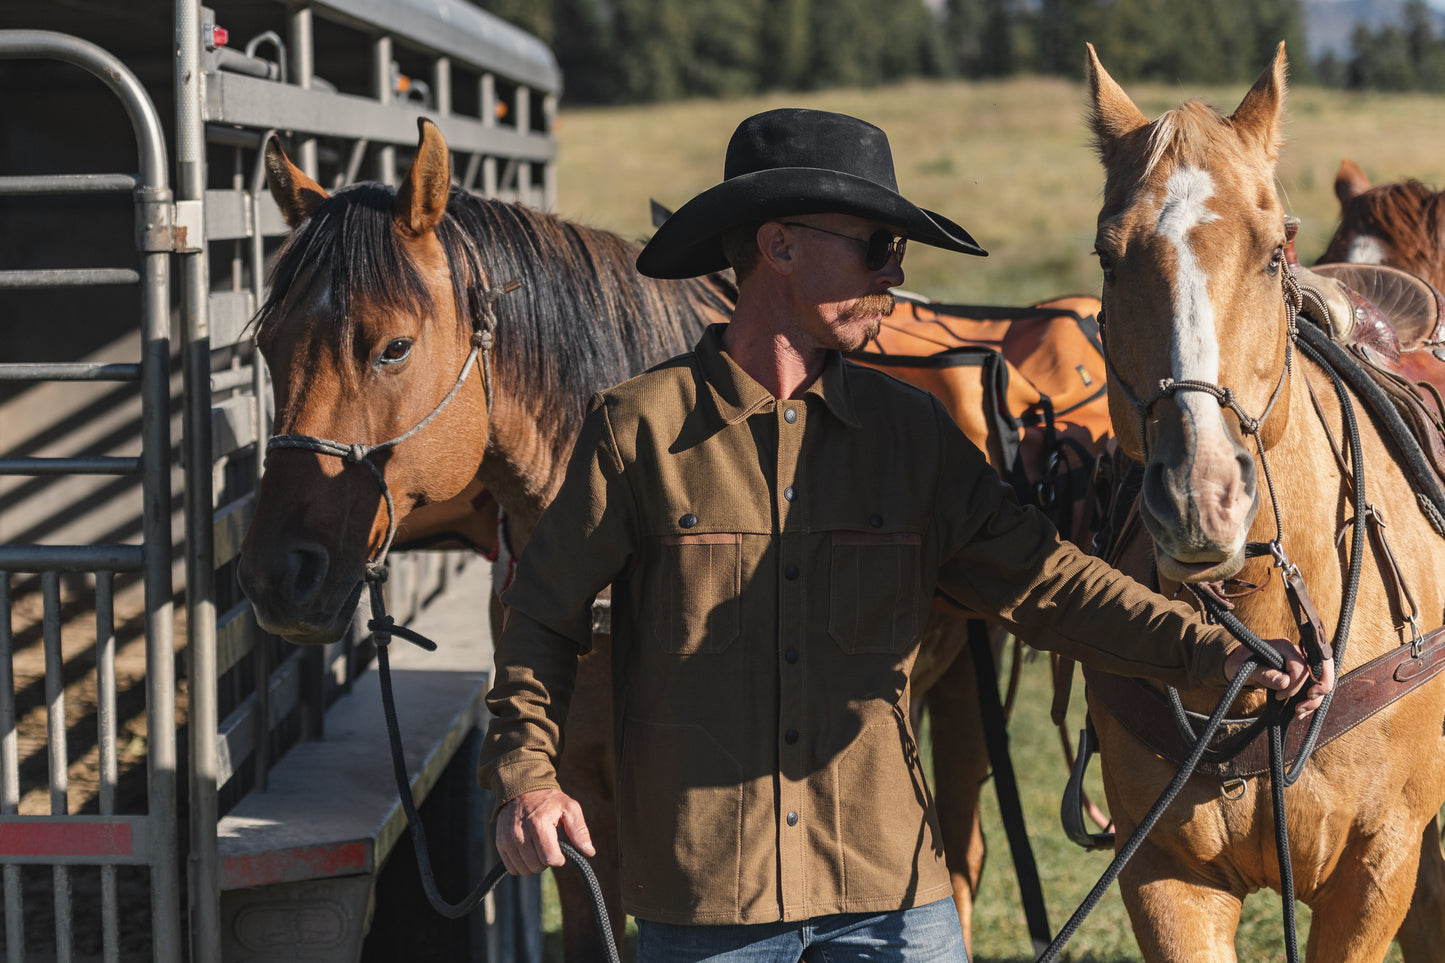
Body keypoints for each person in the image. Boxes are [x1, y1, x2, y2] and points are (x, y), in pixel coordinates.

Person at [477, 107, 1332, 962]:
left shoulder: (911, 436)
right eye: (874, 245)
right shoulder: (635, 431)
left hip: (891, 905)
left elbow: (1049, 585)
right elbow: (541, 618)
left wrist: (1215, 652)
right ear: (777, 246)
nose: (894, 274)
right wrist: (527, 776)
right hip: (705, 909)